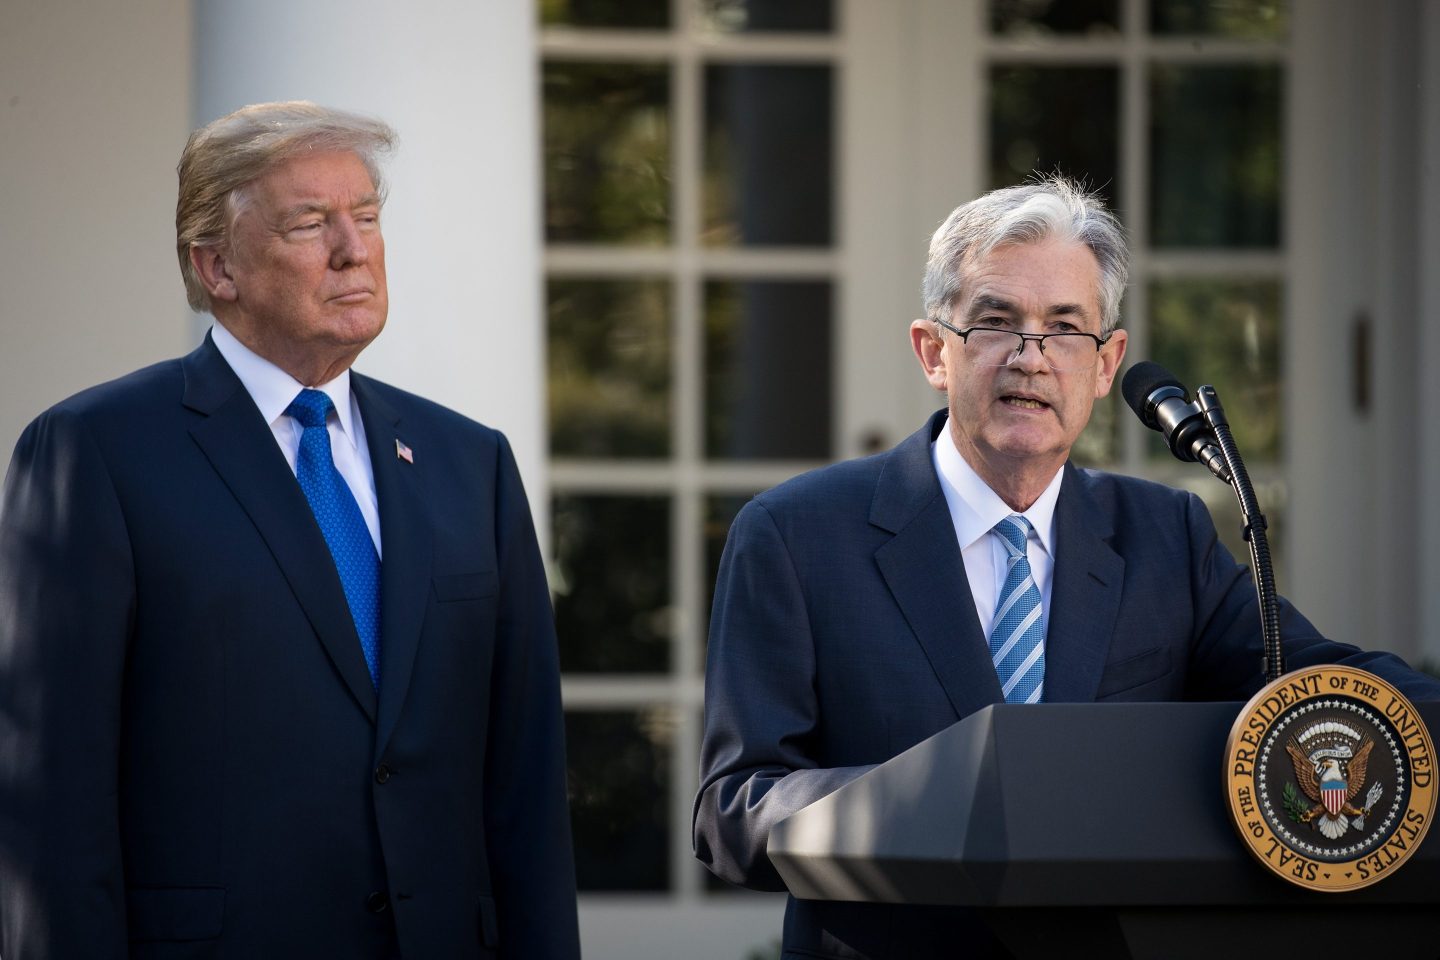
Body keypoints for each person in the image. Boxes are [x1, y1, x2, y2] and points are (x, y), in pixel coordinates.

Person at [693, 176, 1440, 959]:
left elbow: (1310, 682)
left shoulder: (1166, 536)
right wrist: (929, 804)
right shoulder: (794, 535)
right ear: (933, 352)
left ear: (1107, 362)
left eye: (1064, 328)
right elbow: (733, 807)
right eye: (996, 323)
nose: (1031, 358)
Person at [0, 101, 580, 959]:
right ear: (217, 266)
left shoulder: (471, 462)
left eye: (367, 217)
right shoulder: (96, 451)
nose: (355, 250)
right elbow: (53, 797)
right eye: (311, 224)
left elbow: (525, 784)